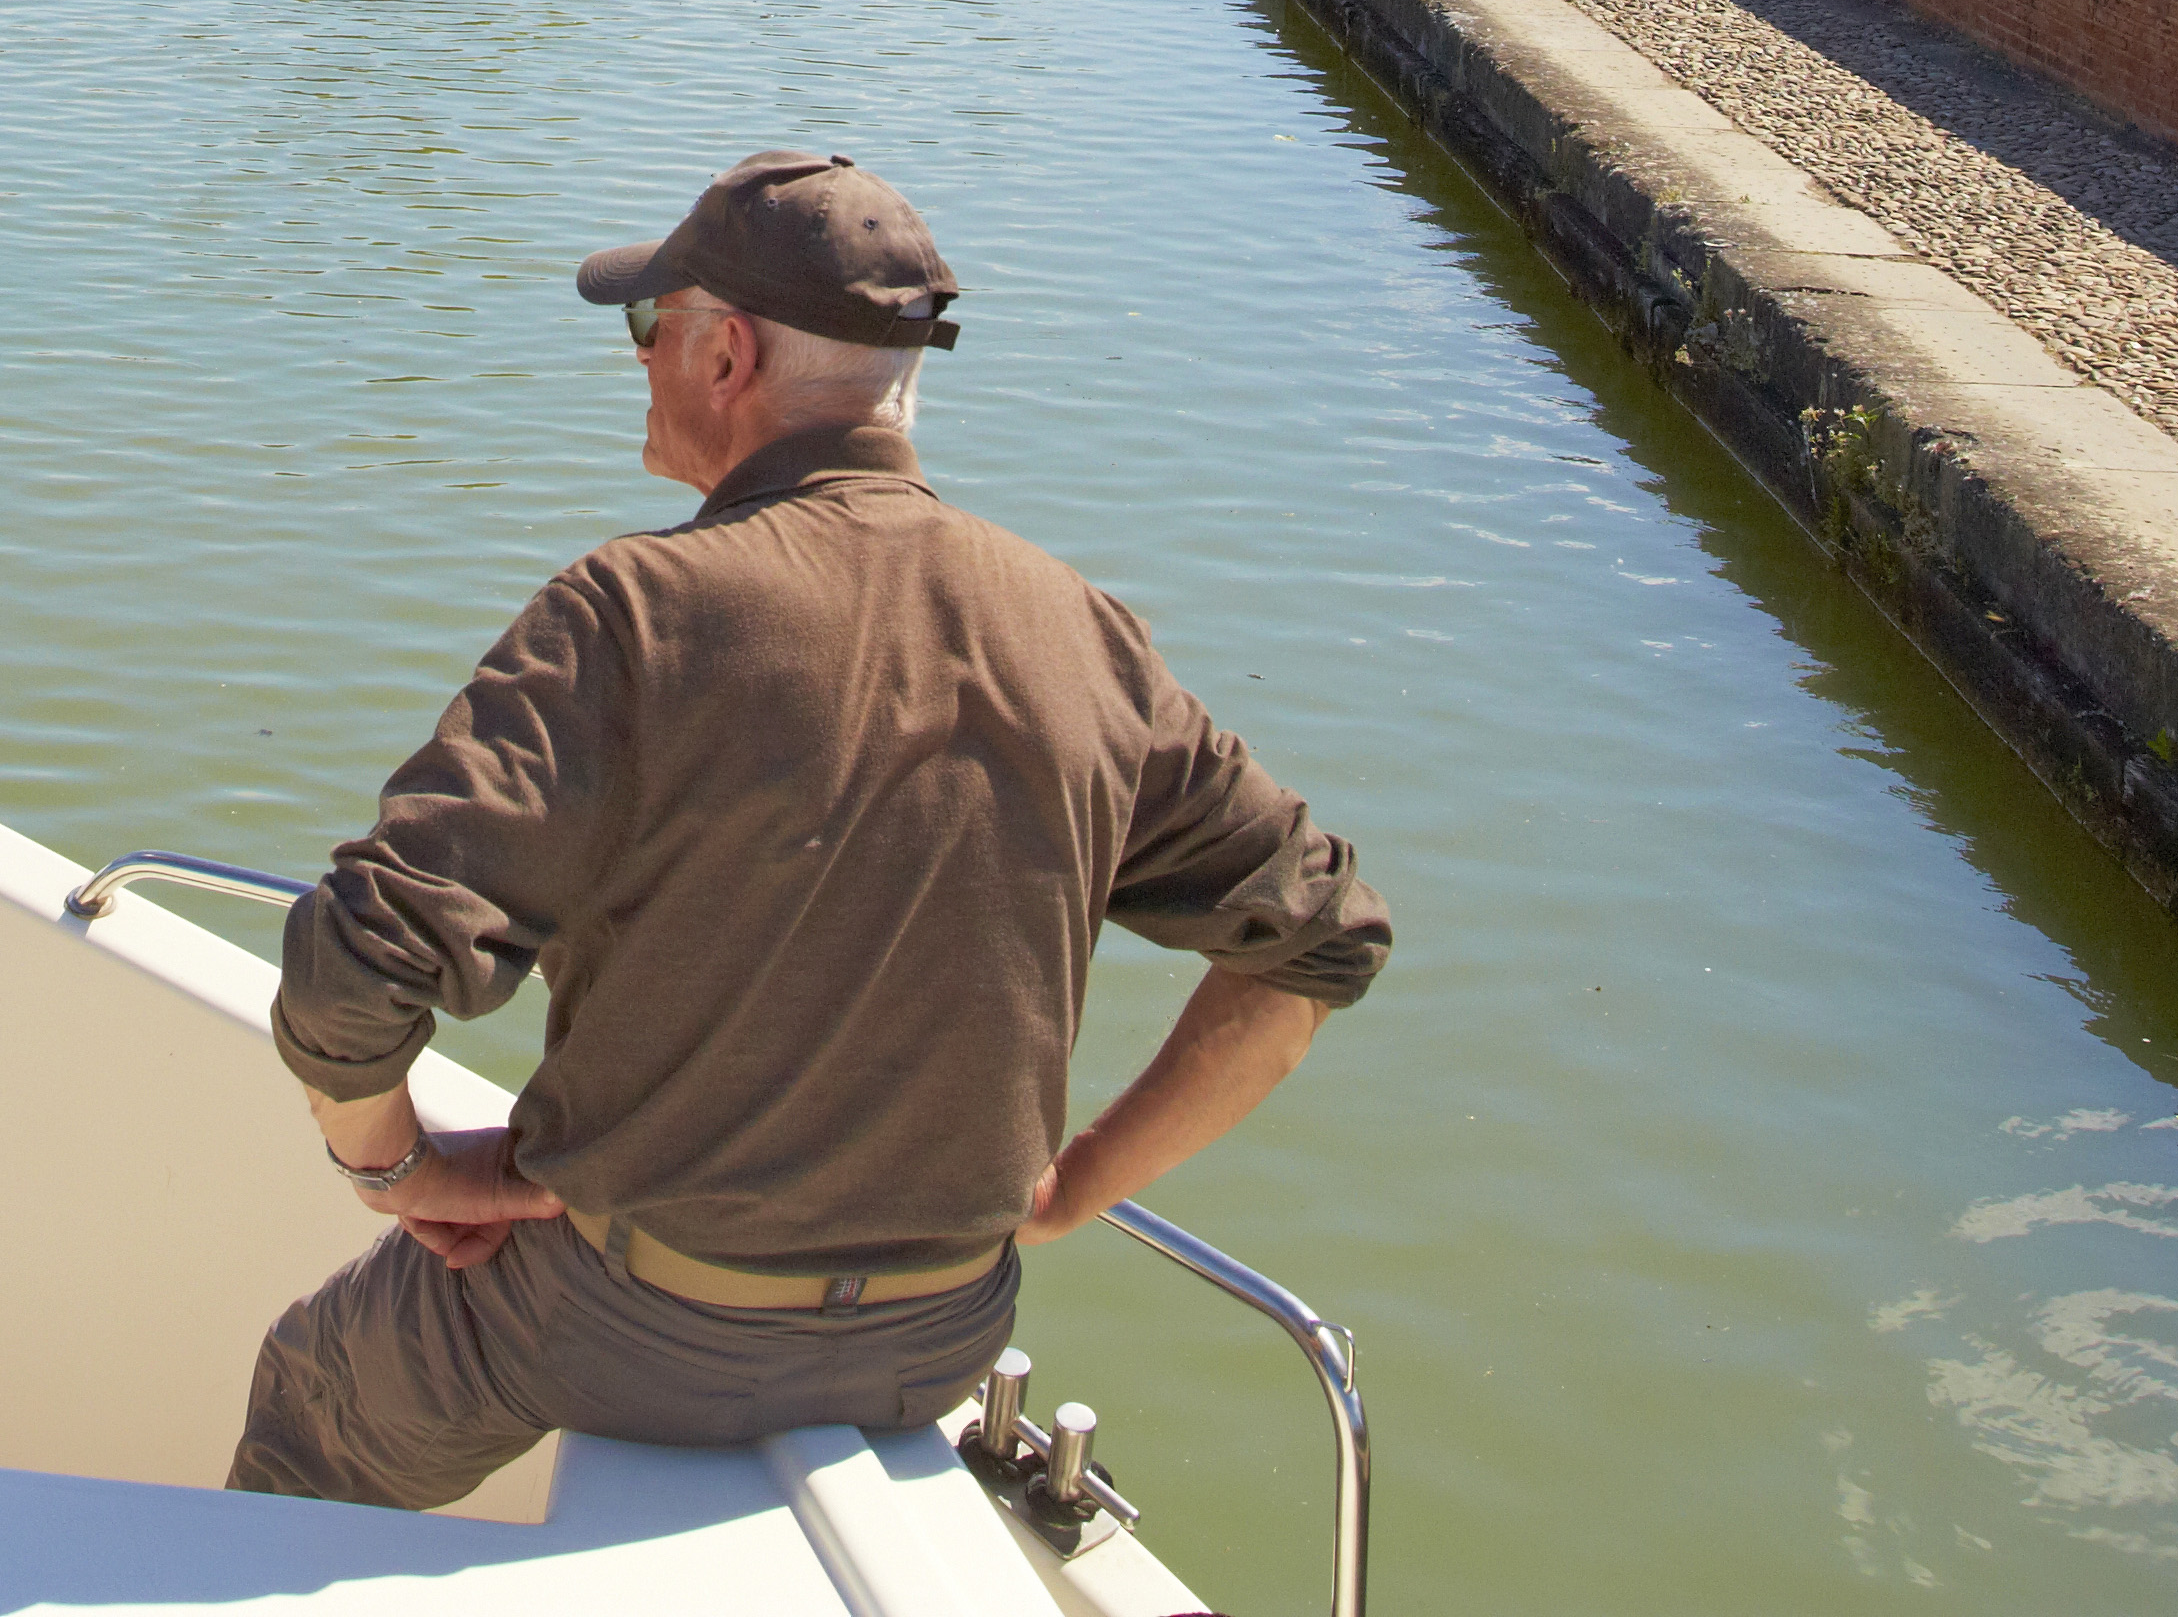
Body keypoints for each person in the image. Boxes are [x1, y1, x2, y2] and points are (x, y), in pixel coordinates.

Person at [231, 149, 1390, 1507]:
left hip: (620, 1323)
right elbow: (1321, 944)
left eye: (646, 327)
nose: (639, 357)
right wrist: (1072, 1189)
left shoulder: (635, 614)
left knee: (313, 1396)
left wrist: (401, 1167)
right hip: (942, 1335)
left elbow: (350, 975)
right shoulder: (1082, 632)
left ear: (726, 355)